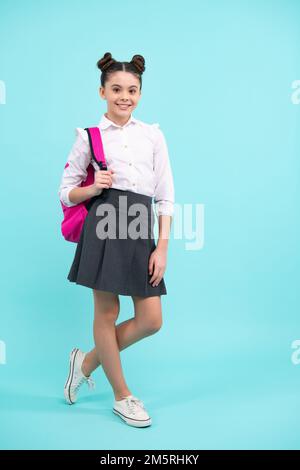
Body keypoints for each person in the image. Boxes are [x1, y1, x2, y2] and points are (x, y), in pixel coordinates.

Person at [58, 52, 175, 427]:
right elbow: (65, 192)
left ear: (139, 93)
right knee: (107, 313)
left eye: (132, 90)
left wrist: (163, 245)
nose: (125, 96)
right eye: (117, 89)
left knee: (151, 319)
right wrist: (91, 187)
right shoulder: (88, 138)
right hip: (104, 223)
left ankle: (87, 362)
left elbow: (165, 194)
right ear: (102, 91)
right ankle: (122, 396)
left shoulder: (152, 135)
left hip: (141, 225)